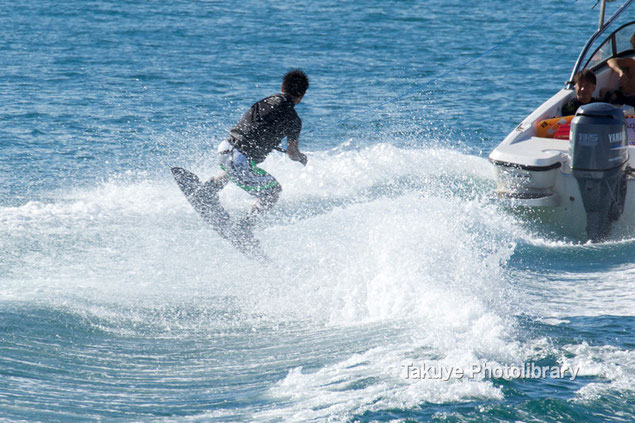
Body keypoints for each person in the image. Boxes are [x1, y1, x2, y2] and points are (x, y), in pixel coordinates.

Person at [204, 69, 309, 233]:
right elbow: (292, 153)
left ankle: (208, 190)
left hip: (225, 148)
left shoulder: (266, 101)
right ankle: (244, 227)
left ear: (282, 87)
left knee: (236, 170)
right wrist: (301, 158)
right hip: (239, 158)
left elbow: (255, 128)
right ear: (302, 96)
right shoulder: (294, 120)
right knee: (273, 192)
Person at [604, 33, 635, 107]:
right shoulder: (631, 63)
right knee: (606, 92)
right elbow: (611, 61)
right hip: (626, 100)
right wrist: (621, 72)